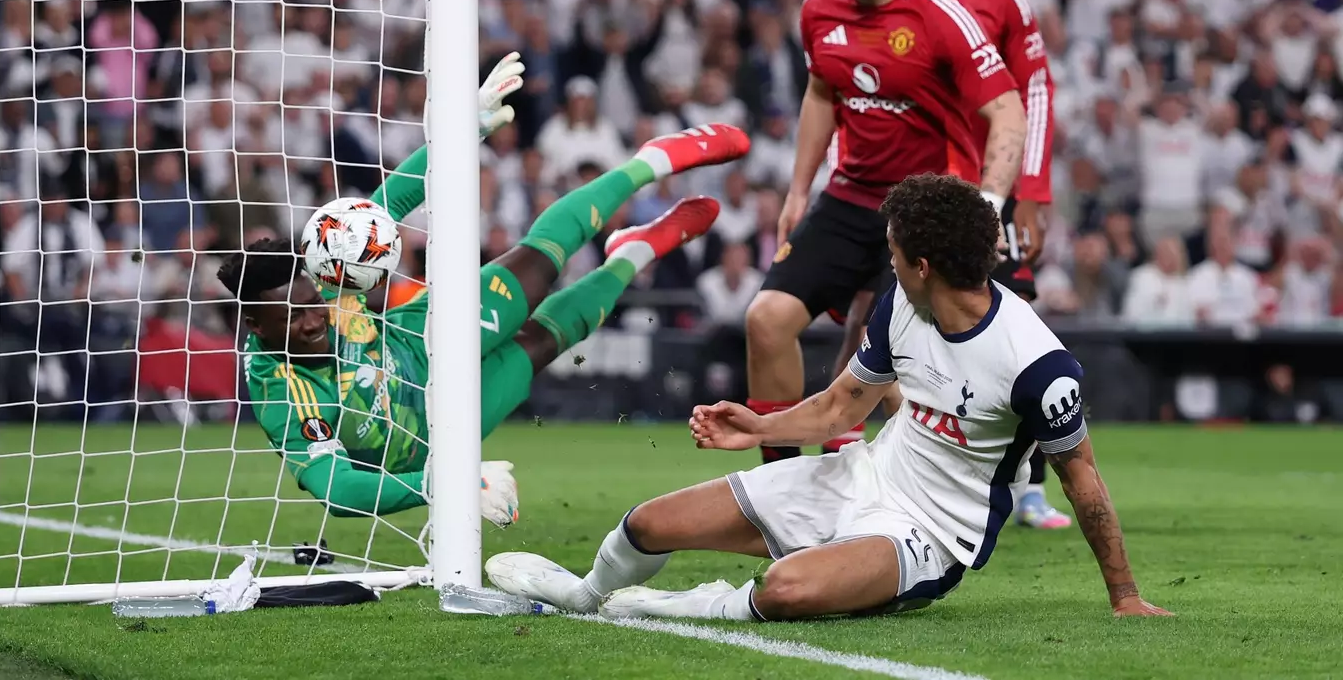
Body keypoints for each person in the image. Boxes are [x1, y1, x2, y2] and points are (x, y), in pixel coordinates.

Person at [486, 174, 1172, 622]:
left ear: (925, 263)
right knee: (647, 523)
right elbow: (844, 404)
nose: (888, 259)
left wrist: (1125, 595)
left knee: (785, 589)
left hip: (928, 536)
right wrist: (759, 425)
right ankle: (585, 595)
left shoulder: (1038, 364)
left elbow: (1083, 480)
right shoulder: (905, 300)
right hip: (859, 476)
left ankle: (660, 605)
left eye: (894, 250)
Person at [217, 54, 750, 522]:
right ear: (253, 325)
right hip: (432, 432)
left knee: (537, 269)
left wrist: (461, 131)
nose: (313, 321)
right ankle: (633, 252)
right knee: (541, 344)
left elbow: (381, 211)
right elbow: (336, 488)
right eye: (292, 319)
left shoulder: (326, 273)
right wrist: (440, 485)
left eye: (311, 305)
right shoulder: (281, 391)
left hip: (417, 336)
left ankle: (650, 161)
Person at [742, 0, 1027, 465]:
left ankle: (925, 513)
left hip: (926, 210)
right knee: (766, 320)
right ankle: (781, 488)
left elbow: (1008, 112)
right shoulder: (818, 9)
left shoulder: (944, 16)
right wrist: (799, 190)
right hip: (847, 198)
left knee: (898, 376)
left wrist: (989, 208)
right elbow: (821, 93)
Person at [822, 0, 1070, 528]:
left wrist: (1029, 196)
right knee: (876, 314)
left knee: (1006, 321)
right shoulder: (872, 2)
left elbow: (1033, 92)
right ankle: (874, 448)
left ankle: (1029, 482)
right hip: (908, 190)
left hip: (988, 188)